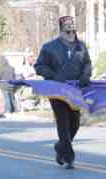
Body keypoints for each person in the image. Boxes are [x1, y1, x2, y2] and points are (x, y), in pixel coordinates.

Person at [34, 16, 92, 169]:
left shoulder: (81, 47)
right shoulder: (49, 47)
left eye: (72, 31)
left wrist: (86, 75)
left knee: (75, 123)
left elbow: (87, 63)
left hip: (75, 90)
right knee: (63, 122)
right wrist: (53, 75)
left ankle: (60, 147)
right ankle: (69, 157)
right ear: (61, 32)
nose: (71, 34)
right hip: (57, 91)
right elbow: (39, 66)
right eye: (67, 32)